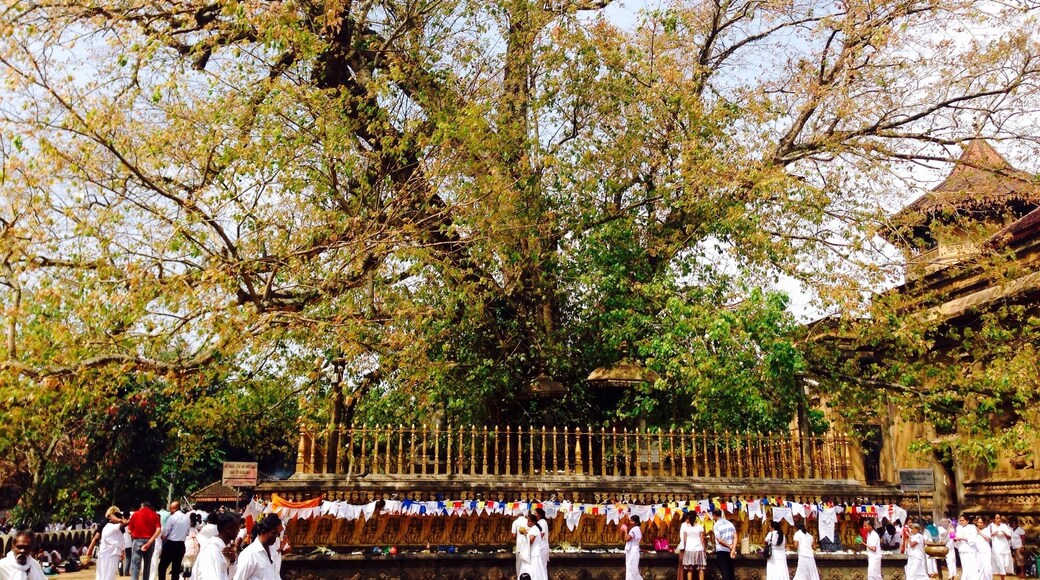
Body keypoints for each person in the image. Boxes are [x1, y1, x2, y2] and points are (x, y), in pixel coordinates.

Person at [232, 515, 281, 580]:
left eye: (277, 534)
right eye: (273, 533)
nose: (276, 536)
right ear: (263, 533)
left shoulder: (272, 551)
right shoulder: (250, 554)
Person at [192, 512, 239, 580]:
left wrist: (232, 561)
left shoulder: (224, 549)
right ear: (228, 529)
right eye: (236, 528)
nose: (239, 531)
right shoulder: (210, 550)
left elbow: (229, 576)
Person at [87, 507, 128, 580]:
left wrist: (89, 550)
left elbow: (121, 537)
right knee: (108, 576)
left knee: (101, 576)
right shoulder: (110, 524)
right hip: (111, 553)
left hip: (104, 552)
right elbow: (96, 537)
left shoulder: (108, 524)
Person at [128, 502, 162, 580]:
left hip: (138, 540)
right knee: (147, 565)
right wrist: (150, 541)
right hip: (150, 541)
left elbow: (129, 530)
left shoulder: (135, 514)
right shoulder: (155, 515)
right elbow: (158, 529)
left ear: (141, 507)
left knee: (135, 565)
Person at [159, 502, 190, 580]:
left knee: (162, 567)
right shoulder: (187, 518)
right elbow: (187, 532)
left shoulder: (172, 518)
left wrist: (163, 537)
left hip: (171, 544)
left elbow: (166, 530)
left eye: (171, 508)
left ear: (175, 508)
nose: (170, 510)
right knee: (176, 568)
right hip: (181, 545)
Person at [679, 512, 706, 580]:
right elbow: (702, 539)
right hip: (699, 549)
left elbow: (685, 540)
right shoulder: (700, 527)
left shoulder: (686, 528)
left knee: (690, 569)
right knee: (700, 568)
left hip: (689, 549)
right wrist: (704, 549)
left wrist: (685, 549)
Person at [711, 509, 737, 580]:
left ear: (715, 515)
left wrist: (729, 546)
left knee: (725, 572)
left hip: (721, 550)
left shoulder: (716, 525)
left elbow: (719, 540)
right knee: (730, 572)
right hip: (730, 551)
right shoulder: (729, 523)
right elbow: (735, 536)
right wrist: (733, 548)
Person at [989, 514, 1013, 580]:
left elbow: (1009, 537)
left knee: (1006, 564)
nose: (999, 520)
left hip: (1005, 548)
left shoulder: (1004, 526)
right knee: (1000, 564)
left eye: (999, 518)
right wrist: (994, 533)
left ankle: (1003, 576)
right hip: (997, 548)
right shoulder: (991, 526)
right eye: (997, 518)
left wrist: (1004, 533)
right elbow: (988, 536)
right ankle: (1003, 578)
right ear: (994, 519)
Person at [956, 514, 980, 580]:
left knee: (971, 566)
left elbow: (973, 539)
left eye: (962, 521)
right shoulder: (959, 527)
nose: (961, 522)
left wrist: (963, 538)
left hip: (970, 549)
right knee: (965, 566)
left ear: (967, 521)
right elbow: (957, 539)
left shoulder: (972, 527)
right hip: (962, 549)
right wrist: (955, 539)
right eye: (960, 520)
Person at [623, 515, 643, 580]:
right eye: (630, 521)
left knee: (631, 568)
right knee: (632, 568)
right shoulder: (637, 529)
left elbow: (626, 539)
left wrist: (625, 530)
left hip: (632, 551)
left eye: (632, 521)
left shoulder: (634, 529)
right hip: (633, 549)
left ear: (636, 522)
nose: (630, 522)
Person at [511, 511, 529, 579]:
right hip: (527, 545)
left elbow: (513, 535)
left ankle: (519, 578)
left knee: (519, 563)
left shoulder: (515, 522)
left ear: (517, 515)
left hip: (519, 545)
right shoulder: (528, 521)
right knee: (526, 563)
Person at [535, 508, 550, 580]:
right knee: (540, 566)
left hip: (542, 546)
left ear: (539, 515)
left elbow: (542, 533)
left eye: (535, 513)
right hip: (540, 546)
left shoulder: (542, 522)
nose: (534, 515)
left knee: (541, 565)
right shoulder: (539, 522)